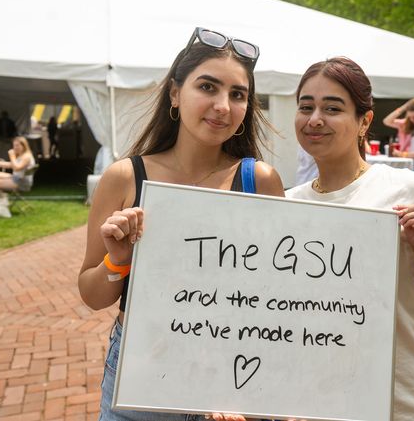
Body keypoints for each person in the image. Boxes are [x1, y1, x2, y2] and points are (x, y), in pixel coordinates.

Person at [78, 27, 284, 421]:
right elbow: (92, 294)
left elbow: (279, 300)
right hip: (141, 371)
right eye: (207, 86)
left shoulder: (260, 181)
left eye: (238, 94)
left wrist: (252, 394)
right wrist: (117, 262)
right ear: (175, 93)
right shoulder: (125, 177)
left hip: (233, 370)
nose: (223, 105)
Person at [286, 57, 414, 421]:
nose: (315, 118)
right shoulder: (288, 204)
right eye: (306, 107)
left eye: (332, 108)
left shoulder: (407, 187)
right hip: (319, 404)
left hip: (404, 404)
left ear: (364, 121)